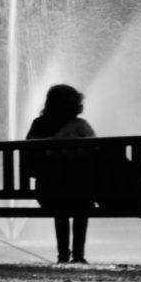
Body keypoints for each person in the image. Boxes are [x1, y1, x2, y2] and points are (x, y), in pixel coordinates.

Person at [25, 83, 96, 264]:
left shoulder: (38, 125)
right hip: (80, 192)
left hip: (47, 194)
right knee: (81, 207)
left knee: (61, 210)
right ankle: (78, 255)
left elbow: (29, 162)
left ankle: (63, 255)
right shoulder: (81, 126)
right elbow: (97, 154)